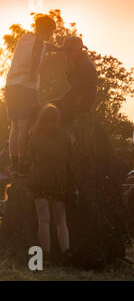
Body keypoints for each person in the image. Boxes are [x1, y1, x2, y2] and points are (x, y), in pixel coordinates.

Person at [5, 15, 58, 175]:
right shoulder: (39, 44)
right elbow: (36, 59)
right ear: (44, 29)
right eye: (50, 30)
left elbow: (43, 46)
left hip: (11, 85)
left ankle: (14, 163)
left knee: (14, 127)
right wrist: (34, 81)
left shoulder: (25, 39)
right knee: (24, 126)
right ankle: (23, 164)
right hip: (26, 88)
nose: (51, 34)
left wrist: (55, 48)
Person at [26, 104, 73, 259]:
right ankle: (66, 252)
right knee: (61, 221)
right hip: (59, 180)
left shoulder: (34, 135)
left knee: (43, 220)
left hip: (39, 179)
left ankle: (45, 254)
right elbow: (71, 157)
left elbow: (30, 158)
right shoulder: (65, 135)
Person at [53, 36, 97, 125]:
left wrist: (57, 102)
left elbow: (75, 90)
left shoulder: (83, 65)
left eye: (70, 51)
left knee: (50, 112)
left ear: (79, 50)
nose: (67, 53)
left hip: (82, 102)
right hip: (75, 99)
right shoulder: (76, 63)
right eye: (66, 51)